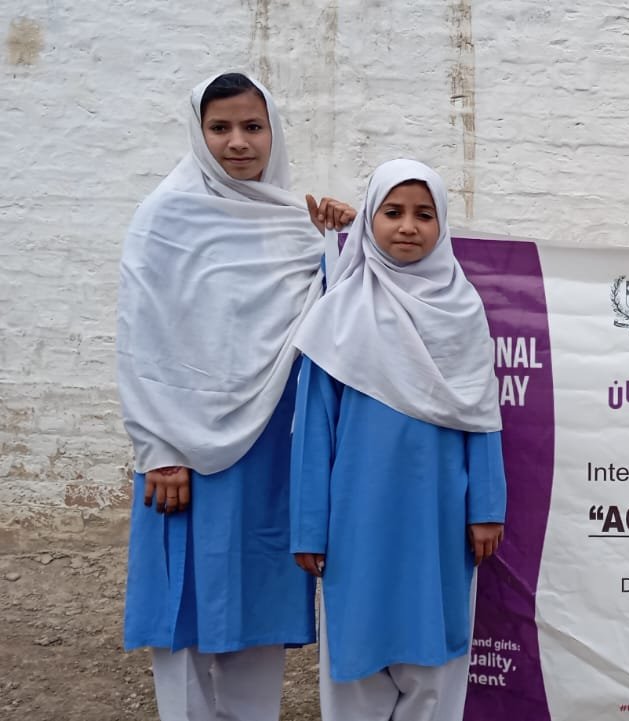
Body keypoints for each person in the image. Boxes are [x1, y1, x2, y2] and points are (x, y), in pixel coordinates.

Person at [116, 72, 352, 721]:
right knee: (183, 612)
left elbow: (346, 312)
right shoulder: (164, 217)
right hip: (178, 453)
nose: (237, 142)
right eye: (219, 128)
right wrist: (159, 449)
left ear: (274, 132)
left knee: (257, 597)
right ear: (198, 134)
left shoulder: (294, 221)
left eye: (252, 126)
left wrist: (346, 239)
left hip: (267, 438)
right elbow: (140, 339)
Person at [290, 159, 506, 721]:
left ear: (442, 225)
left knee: (434, 652)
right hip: (356, 515)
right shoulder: (340, 310)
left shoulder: (462, 311)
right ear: (369, 219)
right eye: (392, 212)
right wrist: (308, 526)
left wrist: (486, 507)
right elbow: (314, 428)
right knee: (357, 644)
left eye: (423, 215)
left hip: (438, 514)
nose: (408, 227)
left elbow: (481, 413)